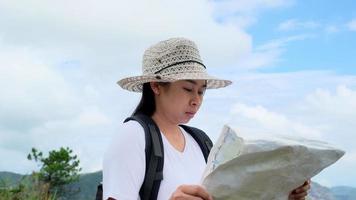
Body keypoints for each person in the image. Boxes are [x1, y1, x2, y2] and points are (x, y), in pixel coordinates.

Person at [103, 37, 310, 200]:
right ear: (156, 86)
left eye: (202, 91)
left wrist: (283, 194)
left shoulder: (200, 142)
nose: (196, 100)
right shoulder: (133, 135)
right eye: (188, 89)